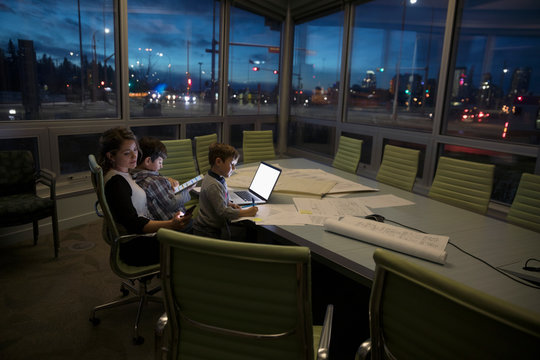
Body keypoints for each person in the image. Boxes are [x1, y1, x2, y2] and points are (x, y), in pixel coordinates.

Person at [97, 127, 191, 266]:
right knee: (193, 238)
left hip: (140, 237)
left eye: (135, 149)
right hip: (136, 246)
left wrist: (166, 178)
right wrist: (170, 225)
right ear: (111, 156)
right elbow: (134, 224)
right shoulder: (116, 183)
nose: (135, 156)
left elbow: (143, 177)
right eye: (127, 153)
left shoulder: (123, 171)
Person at [193, 142, 258, 239]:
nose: (234, 168)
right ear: (218, 162)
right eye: (231, 164)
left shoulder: (218, 178)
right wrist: (246, 212)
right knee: (248, 233)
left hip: (214, 226)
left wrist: (229, 204)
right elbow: (222, 212)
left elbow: (220, 200)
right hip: (209, 231)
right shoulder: (213, 185)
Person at [131, 136, 192, 222]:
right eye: (160, 162)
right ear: (148, 161)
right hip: (174, 224)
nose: (162, 166)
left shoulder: (134, 176)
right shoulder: (154, 181)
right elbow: (172, 203)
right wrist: (187, 190)